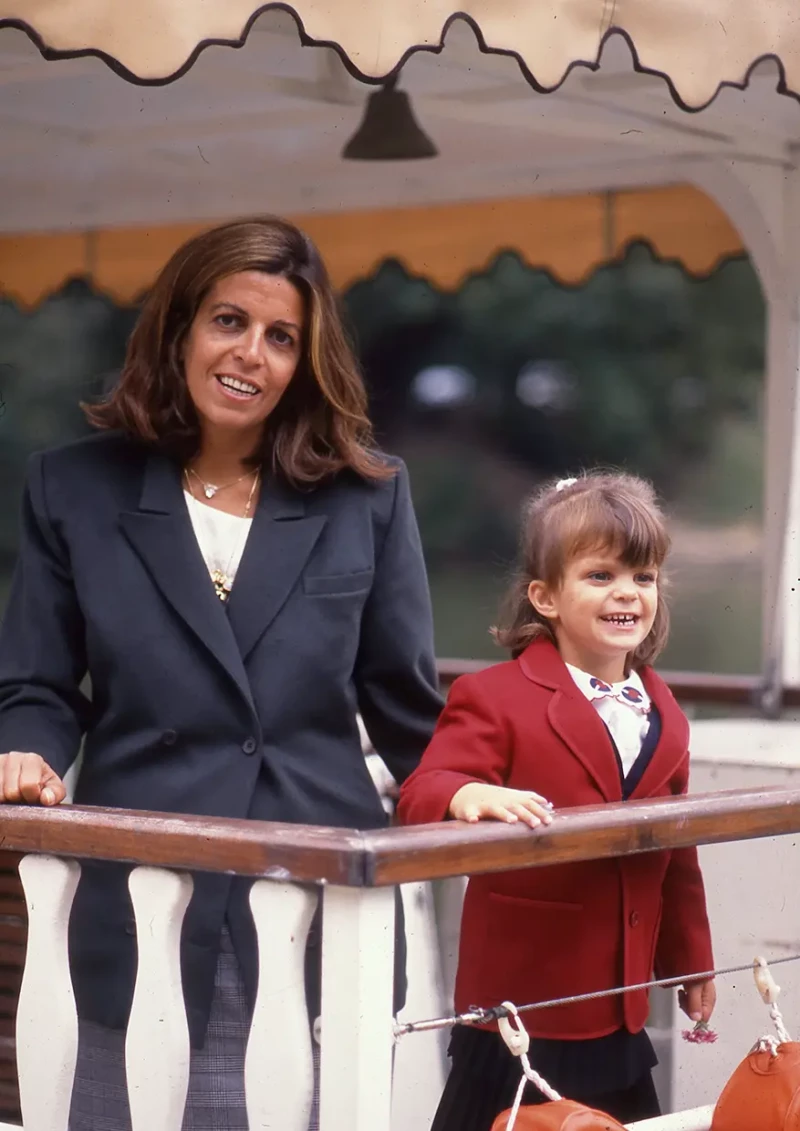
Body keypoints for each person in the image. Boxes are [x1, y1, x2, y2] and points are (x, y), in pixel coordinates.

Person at [0, 216, 443, 1130]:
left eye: (282, 337)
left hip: (317, 906)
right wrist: (25, 749)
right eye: (228, 320)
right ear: (179, 329)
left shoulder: (368, 494)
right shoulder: (72, 489)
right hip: (145, 902)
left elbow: (410, 710)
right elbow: (36, 683)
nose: (252, 354)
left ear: (306, 360)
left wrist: (475, 782)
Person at [397, 471, 716, 1129]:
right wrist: (468, 791)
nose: (627, 591)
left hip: (619, 1006)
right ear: (544, 596)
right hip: (518, 1009)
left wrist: (690, 959)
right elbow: (421, 790)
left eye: (644, 576)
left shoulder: (667, 713)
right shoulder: (495, 695)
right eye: (600, 575)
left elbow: (676, 852)